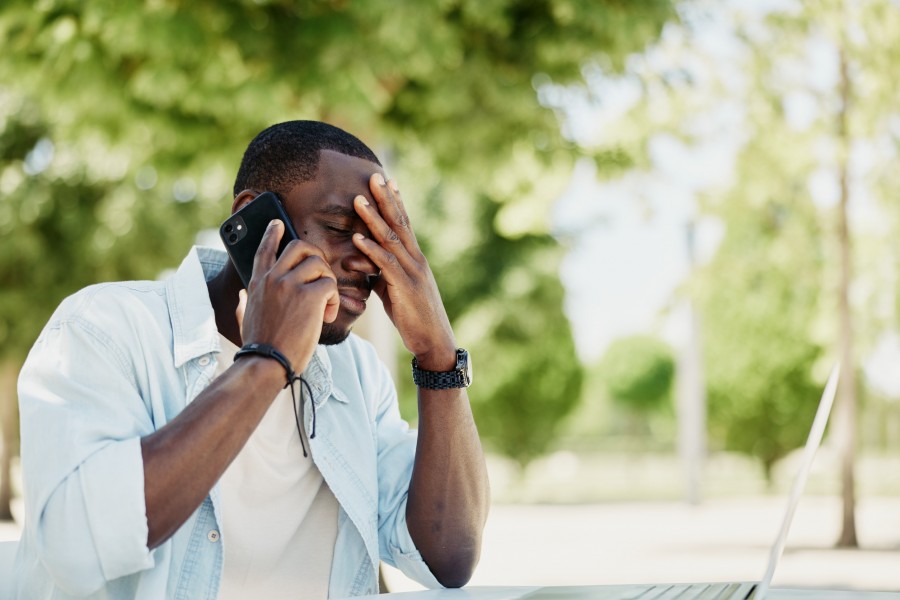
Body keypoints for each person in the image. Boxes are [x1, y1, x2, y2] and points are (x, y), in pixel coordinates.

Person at [14, 121, 490, 599]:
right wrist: (267, 360)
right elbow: (74, 544)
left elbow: (448, 557)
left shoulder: (358, 373)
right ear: (256, 217)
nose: (367, 261)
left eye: (380, 239)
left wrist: (438, 355)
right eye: (342, 229)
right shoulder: (104, 326)